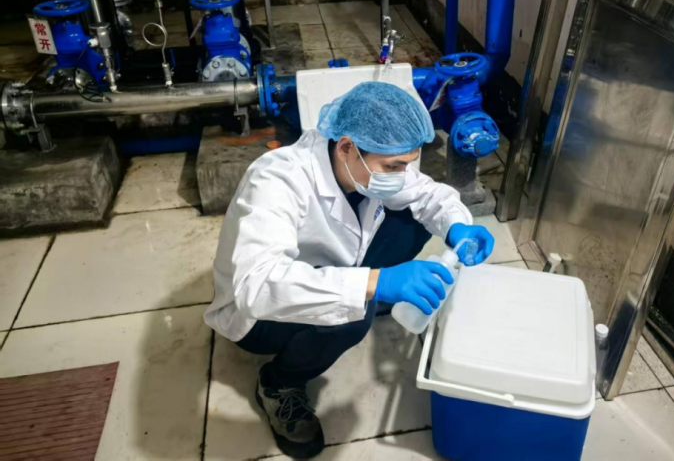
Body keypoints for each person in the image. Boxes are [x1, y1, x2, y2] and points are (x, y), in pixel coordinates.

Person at [205, 81, 495, 459]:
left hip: (331, 265)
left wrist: (457, 225)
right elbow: (256, 286)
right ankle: (279, 383)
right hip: (258, 313)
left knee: (417, 216)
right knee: (355, 316)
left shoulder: (365, 161)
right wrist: (377, 282)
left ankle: (375, 290)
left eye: (406, 164)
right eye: (393, 167)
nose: (401, 174)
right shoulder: (277, 180)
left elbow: (428, 195)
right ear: (345, 147)